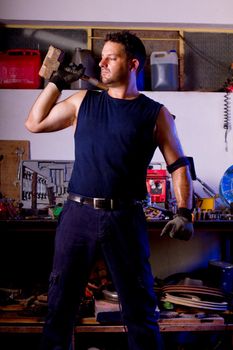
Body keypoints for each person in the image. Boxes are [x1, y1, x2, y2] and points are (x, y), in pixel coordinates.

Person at [25, 31, 194, 350]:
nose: (101, 62)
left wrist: (184, 212)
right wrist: (56, 83)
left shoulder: (154, 113)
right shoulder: (82, 101)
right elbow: (35, 123)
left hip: (125, 218)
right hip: (77, 216)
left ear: (132, 64)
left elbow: (178, 165)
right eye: (101, 57)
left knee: (140, 309)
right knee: (60, 306)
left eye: (110, 57)